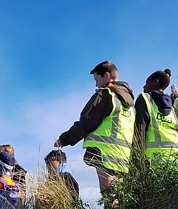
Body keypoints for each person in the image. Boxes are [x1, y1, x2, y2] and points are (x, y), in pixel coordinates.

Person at [54, 60, 135, 192]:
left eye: (97, 79)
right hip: (123, 154)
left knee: (108, 192)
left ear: (107, 76)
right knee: (119, 194)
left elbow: (87, 122)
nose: (96, 84)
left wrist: (64, 139)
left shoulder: (105, 95)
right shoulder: (129, 103)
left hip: (105, 151)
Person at [134, 68, 178, 163]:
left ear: (155, 82)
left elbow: (140, 130)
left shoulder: (145, 98)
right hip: (176, 158)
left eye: (147, 83)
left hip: (155, 159)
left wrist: (136, 157)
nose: (144, 86)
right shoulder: (171, 106)